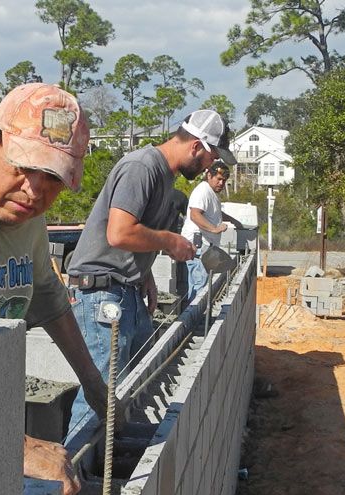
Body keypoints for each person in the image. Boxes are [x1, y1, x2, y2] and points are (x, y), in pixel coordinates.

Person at [0, 82, 114, 495]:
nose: (35, 190)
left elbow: (48, 298)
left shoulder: (25, 218)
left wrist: (93, 382)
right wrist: (19, 447)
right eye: (23, 167)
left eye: (52, 178)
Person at [64, 110, 236, 428]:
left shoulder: (164, 178)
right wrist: (170, 241)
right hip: (100, 292)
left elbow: (133, 235)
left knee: (140, 380)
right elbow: (119, 232)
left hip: (124, 290)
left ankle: (116, 463)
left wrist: (144, 275)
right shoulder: (142, 167)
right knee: (99, 397)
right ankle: (76, 473)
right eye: (209, 158)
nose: (208, 167)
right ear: (196, 146)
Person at [180, 161, 242, 300]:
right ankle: (194, 320)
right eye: (219, 179)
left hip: (206, 247)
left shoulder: (211, 194)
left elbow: (215, 213)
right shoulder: (203, 191)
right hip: (199, 245)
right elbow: (195, 215)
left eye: (224, 180)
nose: (221, 183)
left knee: (203, 284)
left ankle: (197, 317)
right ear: (209, 175)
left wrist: (234, 220)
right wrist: (215, 229)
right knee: (199, 285)